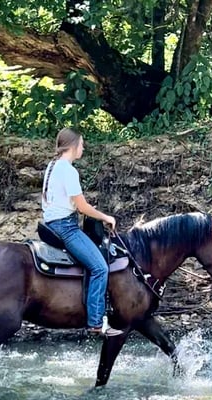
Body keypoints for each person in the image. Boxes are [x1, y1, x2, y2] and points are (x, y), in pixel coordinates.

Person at [41, 128, 124, 337]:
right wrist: (106, 217)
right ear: (73, 146)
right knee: (100, 267)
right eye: (82, 144)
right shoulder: (68, 170)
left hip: (50, 223)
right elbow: (82, 207)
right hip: (66, 227)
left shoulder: (52, 166)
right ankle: (95, 322)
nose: (83, 148)